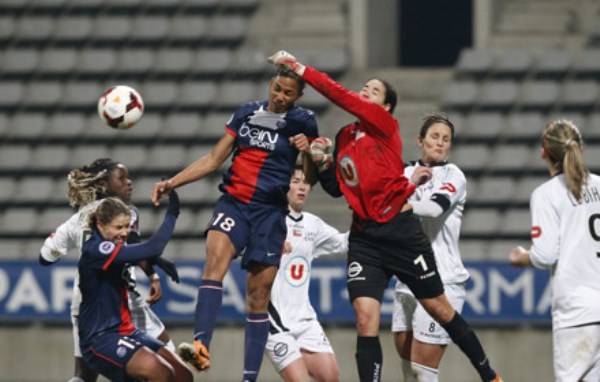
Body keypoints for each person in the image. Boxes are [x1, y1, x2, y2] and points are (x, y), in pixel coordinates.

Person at [267, 50, 501, 382]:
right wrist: (322, 162)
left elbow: (339, 94)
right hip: (364, 237)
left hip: (400, 230)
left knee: (440, 309)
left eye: (374, 91)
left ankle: (489, 374)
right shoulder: (346, 136)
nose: (365, 92)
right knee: (365, 319)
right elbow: (337, 189)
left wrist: (299, 68)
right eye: (365, 87)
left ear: (386, 106)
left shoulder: (383, 125)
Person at [151, 69, 319, 381]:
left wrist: (307, 151)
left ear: (299, 96)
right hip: (234, 203)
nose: (280, 97)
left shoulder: (304, 122)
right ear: (270, 84)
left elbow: (309, 177)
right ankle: (201, 345)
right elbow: (214, 159)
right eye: (277, 89)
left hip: (269, 214)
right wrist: (172, 182)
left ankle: (248, 378)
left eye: (288, 93)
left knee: (257, 296)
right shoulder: (245, 112)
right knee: (214, 261)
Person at [39, 158, 180, 382]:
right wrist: (152, 272)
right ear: (104, 183)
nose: (129, 183)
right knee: (165, 368)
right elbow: (136, 248)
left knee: (84, 377)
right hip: (121, 300)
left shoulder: (77, 219)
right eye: (122, 178)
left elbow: (45, 257)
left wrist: (153, 269)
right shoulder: (127, 213)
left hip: (86, 301)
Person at [508, 119, 600, 382]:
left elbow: (546, 254)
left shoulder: (547, 194)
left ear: (543, 153)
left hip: (576, 313)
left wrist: (522, 257)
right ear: (580, 149)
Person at [78, 192, 191, 382]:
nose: (124, 232)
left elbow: (137, 250)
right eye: (118, 227)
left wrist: (155, 265)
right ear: (100, 225)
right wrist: (172, 214)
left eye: (127, 226)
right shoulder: (96, 249)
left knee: (182, 375)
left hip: (126, 331)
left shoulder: (113, 244)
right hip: (100, 338)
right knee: (160, 371)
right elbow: (151, 247)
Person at [391, 113, 470, 382]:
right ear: (420, 140)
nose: (440, 143)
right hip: (406, 279)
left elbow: (435, 208)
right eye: (435, 137)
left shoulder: (453, 175)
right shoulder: (402, 173)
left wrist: (400, 204)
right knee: (407, 371)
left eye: (446, 139)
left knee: (423, 371)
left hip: (442, 280)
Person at [265, 165, 347, 382]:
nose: (302, 187)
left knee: (331, 377)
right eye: (295, 181)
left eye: (306, 182)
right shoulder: (268, 219)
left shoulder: (313, 224)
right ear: (284, 185)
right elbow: (242, 249)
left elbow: (344, 244)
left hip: (306, 320)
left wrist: (366, 218)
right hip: (275, 321)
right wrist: (271, 245)